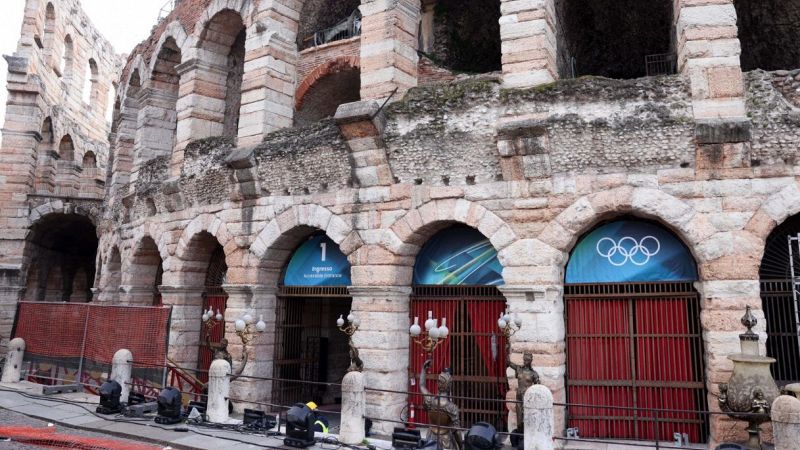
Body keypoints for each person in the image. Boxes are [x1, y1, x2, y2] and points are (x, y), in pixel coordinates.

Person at [419, 359, 462, 450]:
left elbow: (422, 385)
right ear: (450, 386)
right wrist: (461, 446)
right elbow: (457, 432)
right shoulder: (452, 408)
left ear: (438, 385)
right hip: (445, 441)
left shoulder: (429, 400)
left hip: (431, 437)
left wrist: (423, 369)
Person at [508, 352, 540, 434]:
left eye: (527, 360)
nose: (525, 361)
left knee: (528, 419)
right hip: (519, 397)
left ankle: (528, 436)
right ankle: (520, 436)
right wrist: (507, 350)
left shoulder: (534, 374)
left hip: (528, 398)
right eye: (525, 360)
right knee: (519, 420)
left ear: (530, 361)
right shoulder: (519, 369)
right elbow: (508, 362)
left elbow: (538, 387)